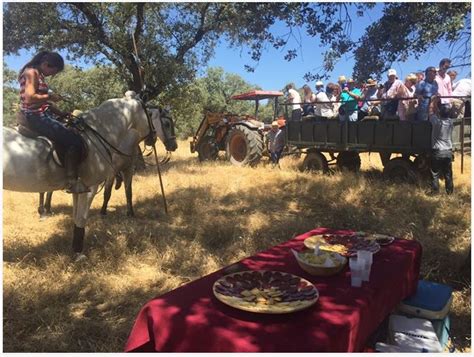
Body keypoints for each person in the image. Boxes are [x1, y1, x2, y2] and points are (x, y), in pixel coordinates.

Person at [18, 51, 89, 193]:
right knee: (74, 141)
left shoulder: (38, 74)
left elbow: (44, 104)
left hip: (40, 114)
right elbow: (30, 97)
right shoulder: (32, 73)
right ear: (46, 64)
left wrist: (61, 113)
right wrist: (50, 96)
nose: (52, 74)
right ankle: (72, 181)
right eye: (53, 71)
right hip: (34, 117)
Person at [429, 95, 454, 195]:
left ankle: (435, 192)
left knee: (435, 174)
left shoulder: (436, 122)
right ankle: (449, 192)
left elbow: (430, 112)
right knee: (448, 174)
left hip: (438, 152)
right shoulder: (451, 122)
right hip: (448, 151)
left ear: (439, 112)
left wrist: (433, 101)